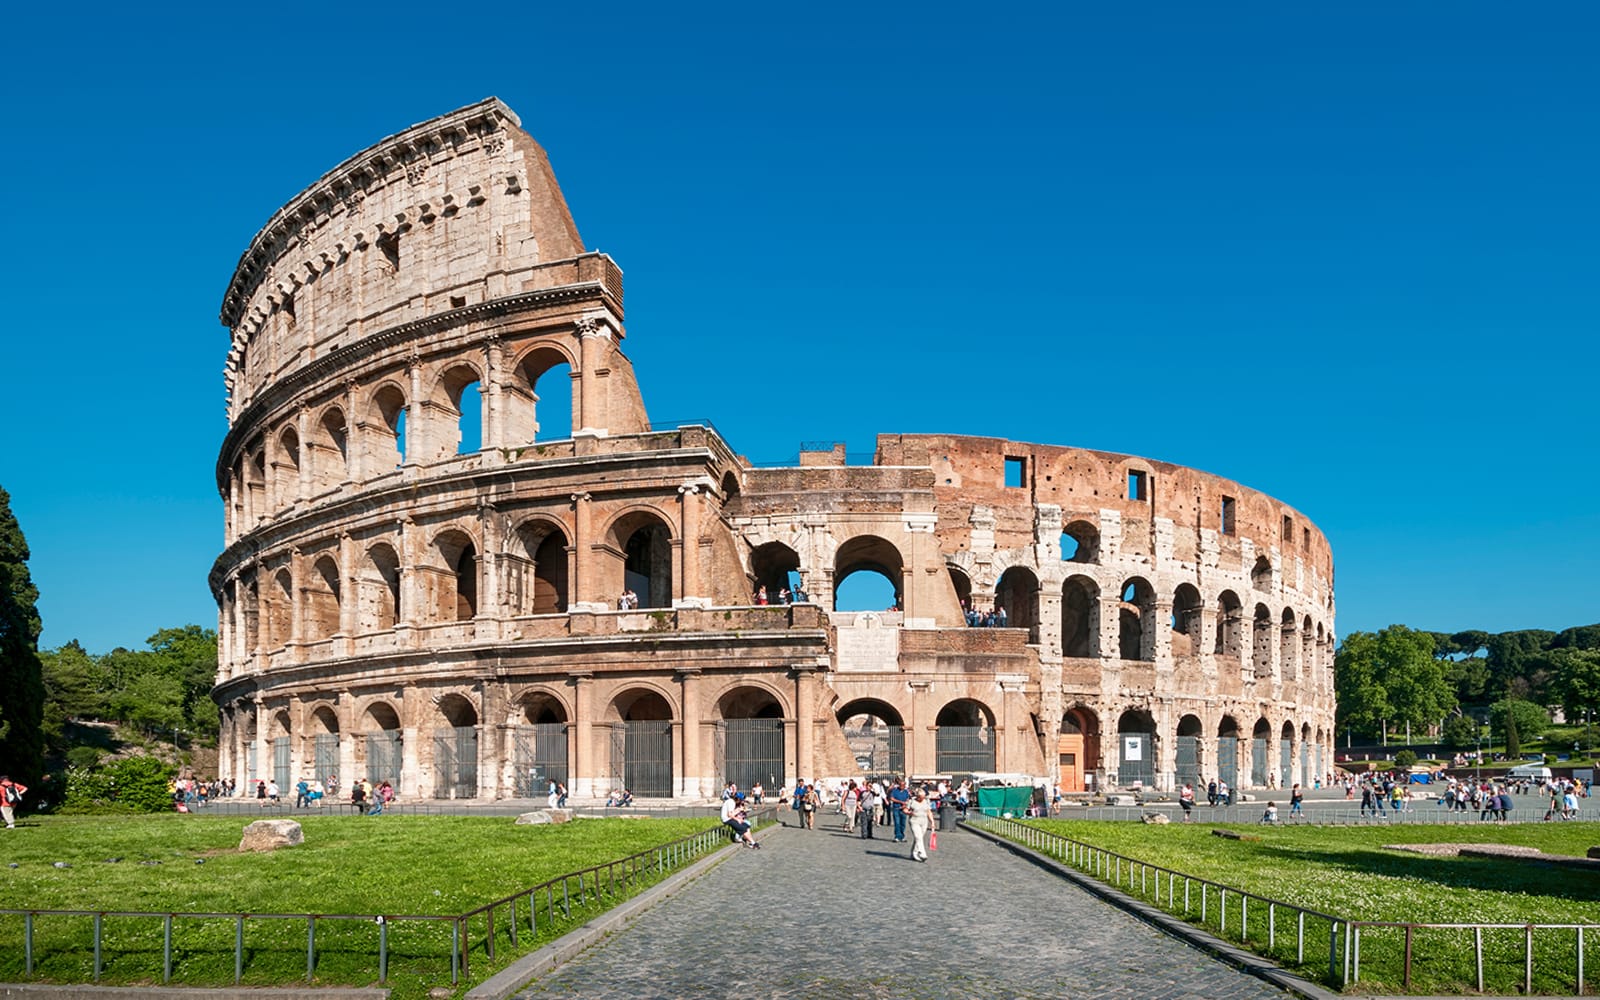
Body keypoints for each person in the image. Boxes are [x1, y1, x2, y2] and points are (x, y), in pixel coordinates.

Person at [905, 786, 935, 862]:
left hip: (924, 822)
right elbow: (905, 809)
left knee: (918, 838)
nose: (922, 798)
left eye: (923, 797)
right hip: (914, 821)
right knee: (918, 837)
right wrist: (909, 812)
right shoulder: (911, 801)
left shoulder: (926, 801)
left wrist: (932, 821)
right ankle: (922, 853)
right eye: (921, 797)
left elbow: (929, 812)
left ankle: (914, 853)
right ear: (917, 796)